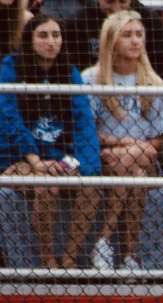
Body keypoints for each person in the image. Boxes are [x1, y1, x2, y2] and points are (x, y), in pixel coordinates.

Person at [0, 14, 101, 268]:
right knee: (46, 186)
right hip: (18, 157)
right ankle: (47, 260)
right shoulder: (11, 67)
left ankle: (69, 258)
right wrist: (34, 161)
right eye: (43, 35)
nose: (51, 42)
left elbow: (84, 124)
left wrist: (81, 167)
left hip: (59, 156)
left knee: (91, 187)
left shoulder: (70, 73)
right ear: (30, 39)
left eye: (56, 35)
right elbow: (8, 118)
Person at [80, 10, 163, 271]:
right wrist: (123, 147)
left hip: (144, 154)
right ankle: (130, 256)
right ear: (111, 41)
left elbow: (158, 139)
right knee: (134, 173)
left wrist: (129, 149)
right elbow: (88, 131)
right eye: (127, 35)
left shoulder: (153, 82)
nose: (135, 41)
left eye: (139, 35)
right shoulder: (91, 79)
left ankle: (104, 241)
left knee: (132, 165)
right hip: (105, 156)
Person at [64, 0, 163, 84]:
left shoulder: (149, 19)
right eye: (110, 1)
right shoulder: (77, 21)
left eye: (122, 1)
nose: (116, 8)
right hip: (97, 86)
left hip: (141, 85)